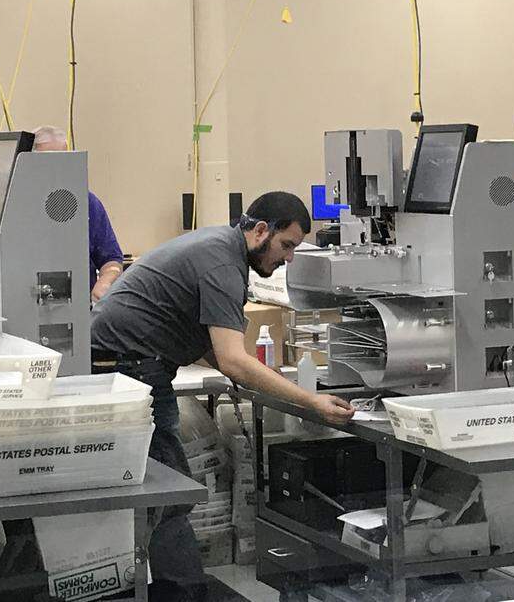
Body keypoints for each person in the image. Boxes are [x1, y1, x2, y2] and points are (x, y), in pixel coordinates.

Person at [90, 191, 354, 599]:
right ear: (261, 231)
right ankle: (184, 593)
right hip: (133, 369)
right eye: (287, 246)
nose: (288, 259)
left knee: (152, 490)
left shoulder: (218, 247)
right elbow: (232, 360)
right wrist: (311, 401)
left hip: (121, 362)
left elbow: (213, 349)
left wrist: (261, 381)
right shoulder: (224, 265)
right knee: (169, 492)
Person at [32, 126, 124, 301]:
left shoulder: (87, 203)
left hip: (78, 307)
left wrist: (105, 282)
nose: (57, 169)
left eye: (63, 161)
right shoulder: (14, 207)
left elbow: (112, 259)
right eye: (48, 162)